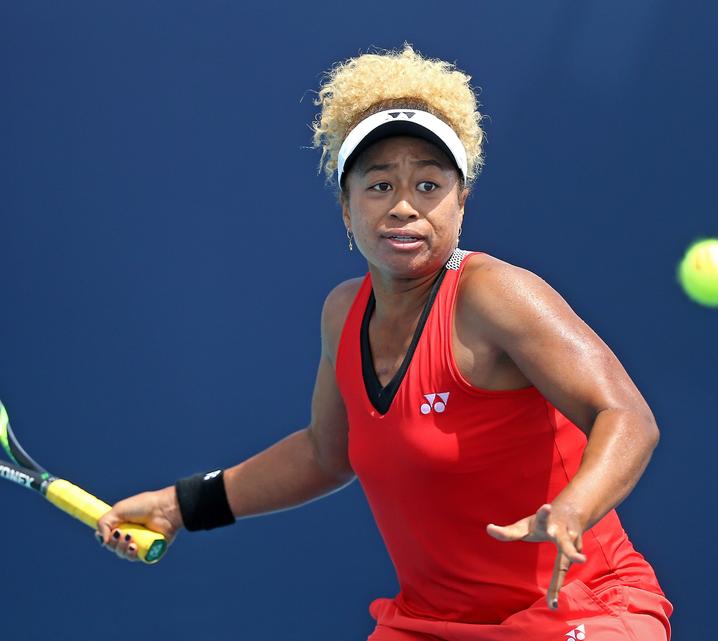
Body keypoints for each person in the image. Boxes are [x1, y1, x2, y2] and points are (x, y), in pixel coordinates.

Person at [96, 45, 672, 640]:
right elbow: (326, 453)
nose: (403, 206)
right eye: (378, 186)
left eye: (428, 184)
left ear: (461, 199)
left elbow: (626, 415)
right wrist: (178, 505)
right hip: (429, 624)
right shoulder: (342, 312)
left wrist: (575, 508)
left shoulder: (497, 294)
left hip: (581, 609)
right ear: (346, 210)